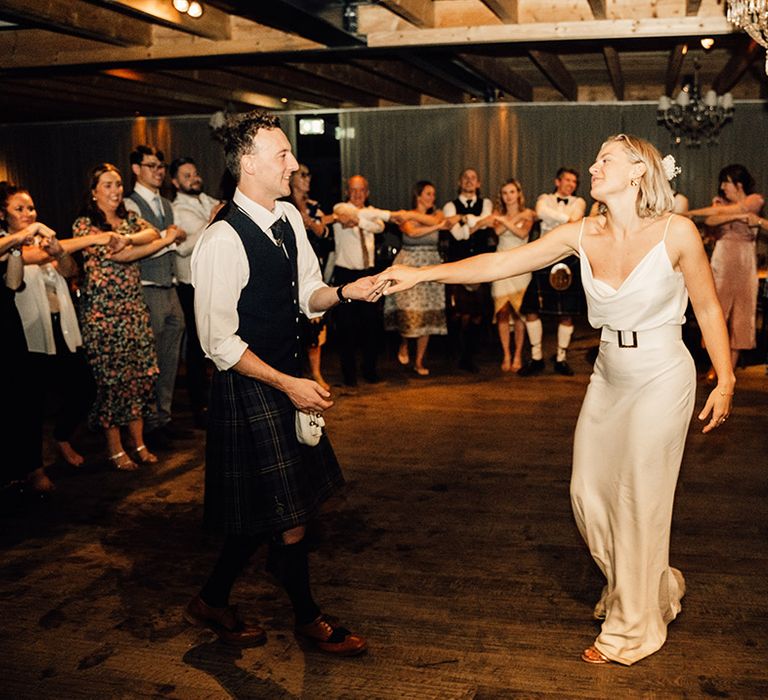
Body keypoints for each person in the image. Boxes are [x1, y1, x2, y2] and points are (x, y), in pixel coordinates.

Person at [376, 134, 734, 666]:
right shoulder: (581, 233)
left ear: (638, 170)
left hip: (663, 372)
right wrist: (422, 273)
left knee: (639, 496)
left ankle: (632, 627)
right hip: (609, 373)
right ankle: (642, 588)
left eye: (604, 159)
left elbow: (706, 309)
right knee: (588, 492)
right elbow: (502, 265)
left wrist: (725, 379)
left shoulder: (676, 232)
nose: (592, 166)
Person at [188, 111, 382, 655]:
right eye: (282, 155)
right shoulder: (221, 240)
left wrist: (348, 292)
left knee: (271, 510)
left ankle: (212, 598)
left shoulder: (290, 219)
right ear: (248, 165)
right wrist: (288, 383)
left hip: (285, 379)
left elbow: (309, 294)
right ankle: (308, 616)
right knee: (288, 515)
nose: (294, 164)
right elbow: (218, 343)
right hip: (250, 384)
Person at [2, 183, 126, 489]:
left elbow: (70, 270)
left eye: (31, 208)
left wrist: (59, 251)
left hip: (63, 328)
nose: (29, 213)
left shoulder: (43, 240)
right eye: (20, 209)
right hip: (29, 333)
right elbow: (19, 274)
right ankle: (35, 468)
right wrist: (62, 245)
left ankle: (61, 437)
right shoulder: (9, 244)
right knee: (31, 405)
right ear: (3, 215)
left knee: (85, 387)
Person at [74, 163, 181, 471]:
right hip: (104, 313)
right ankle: (115, 447)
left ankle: (139, 442)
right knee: (114, 381)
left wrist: (138, 238)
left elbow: (148, 232)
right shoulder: (85, 225)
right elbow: (121, 255)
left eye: (118, 184)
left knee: (141, 376)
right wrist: (164, 239)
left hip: (134, 308)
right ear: (94, 192)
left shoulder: (129, 220)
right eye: (107, 185)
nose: (115, 190)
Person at [125, 145, 189, 445]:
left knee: (170, 358)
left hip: (170, 285)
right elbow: (139, 247)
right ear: (136, 169)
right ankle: (149, 422)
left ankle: (163, 417)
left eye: (161, 166)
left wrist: (173, 238)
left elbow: (170, 241)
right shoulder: (130, 205)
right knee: (149, 359)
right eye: (152, 166)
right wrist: (171, 237)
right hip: (147, 287)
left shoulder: (165, 203)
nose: (159, 171)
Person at [686, 164, 764, 379]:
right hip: (722, 261)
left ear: (738, 183)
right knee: (717, 311)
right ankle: (717, 365)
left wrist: (719, 213)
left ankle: (728, 370)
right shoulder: (719, 203)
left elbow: (724, 213)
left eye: (726, 182)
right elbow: (711, 219)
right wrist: (736, 216)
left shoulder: (755, 200)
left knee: (741, 314)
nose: (722, 187)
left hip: (744, 262)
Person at [330, 175, 408, 386]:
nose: (357, 194)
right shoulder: (340, 208)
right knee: (346, 327)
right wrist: (372, 218)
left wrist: (362, 220)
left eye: (361, 190)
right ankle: (349, 375)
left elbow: (380, 227)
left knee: (371, 325)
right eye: (353, 190)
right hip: (345, 274)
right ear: (347, 192)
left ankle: (370, 370)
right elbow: (349, 217)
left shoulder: (371, 214)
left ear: (367, 192)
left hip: (368, 273)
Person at [0, 209, 55, 490]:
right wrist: (20, 235)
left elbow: (12, 283)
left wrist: (16, 248)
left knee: (22, 399)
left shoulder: (6, 237)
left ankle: (31, 467)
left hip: (7, 324)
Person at [384, 180, 458, 376]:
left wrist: (433, 222)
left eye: (433, 194)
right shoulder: (405, 217)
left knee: (426, 313)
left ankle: (419, 361)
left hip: (430, 263)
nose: (432, 197)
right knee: (409, 310)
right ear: (418, 196)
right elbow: (411, 231)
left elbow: (440, 222)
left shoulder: (438, 214)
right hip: (408, 261)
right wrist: (435, 227)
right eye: (428, 193)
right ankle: (404, 343)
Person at [519, 167, 587, 376]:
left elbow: (575, 220)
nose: (571, 185)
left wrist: (554, 219)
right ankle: (537, 357)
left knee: (567, 312)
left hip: (568, 257)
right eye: (567, 180)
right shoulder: (544, 198)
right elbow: (540, 213)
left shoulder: (579, 202)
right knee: (531, 308)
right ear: (557, 182)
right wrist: (564, 219)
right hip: (543, 256)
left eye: (574, 182)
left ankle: (561, 358)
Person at [170, 156, 222, 428]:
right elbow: (181, 248)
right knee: (196, 347)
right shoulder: (176, 209)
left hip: (213, 281)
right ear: (176, 182)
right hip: (190, 284)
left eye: (195, 172)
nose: (194, 178)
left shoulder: (207, 199)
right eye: (187, 175)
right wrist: (211, 222)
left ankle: (216, 401)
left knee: (216, 340)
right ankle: (198, 406)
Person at [442, 168, 495, 372]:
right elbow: (458, 236)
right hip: (458, 265)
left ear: (479, 183)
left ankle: (469, 356)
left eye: (473, 178)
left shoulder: (487, 203)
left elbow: (487, 222)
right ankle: (456, 355)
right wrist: (478, 222)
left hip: (482, 265)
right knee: (459, 313)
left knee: (478, 314)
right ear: (459, 182)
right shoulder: (449, 206)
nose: (469, 181)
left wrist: (464, 220)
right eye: (465, 178)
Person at [287, 164, 334, 390]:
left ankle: (316, 372)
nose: (307, 179)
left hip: (316, 267)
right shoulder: (284, 205)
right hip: (291, 270)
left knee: (316, 323)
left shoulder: (315, 206)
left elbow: (326, 234)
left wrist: (312, 224)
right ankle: (295, 373)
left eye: (308, 174)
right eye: (302, 175)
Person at [490, 179, 536, 372]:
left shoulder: (528, 214)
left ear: (518, 194)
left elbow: (522, 233)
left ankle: (517, 354)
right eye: (504, 193)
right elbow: (498, 230)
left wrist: (505, 220)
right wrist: (508, 220)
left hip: (521, 265)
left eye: (511, 192)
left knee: (520, 312)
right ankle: (506, 354)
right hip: (501, 265)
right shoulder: (499, 215)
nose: (508, 196)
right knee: (502, 311)